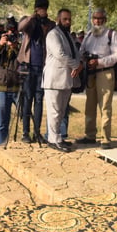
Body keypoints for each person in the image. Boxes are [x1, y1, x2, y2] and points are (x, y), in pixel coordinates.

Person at [76, 8, 117, 149]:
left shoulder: (112, 35)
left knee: (105, 106)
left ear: (105, 20)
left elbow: (116, 56)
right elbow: (81, 52)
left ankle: (105, 139)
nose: (97, 21)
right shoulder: (89, 35)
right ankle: (90, 135)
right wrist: (85, 59)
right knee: (89, 107)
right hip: (91, 73)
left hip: (105, 72)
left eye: (100, 19)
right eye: (95, 18)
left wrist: (99, 62)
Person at [42, 8, 82, 152]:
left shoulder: (68, 36)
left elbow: (75, 52)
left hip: (66, 80)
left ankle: (58, 137)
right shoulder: (53, 34)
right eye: (65, 19)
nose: (68, 22)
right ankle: (53, 139)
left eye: (69, 19)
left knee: (61, 111)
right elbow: (60, 54)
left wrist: (80, 63)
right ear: (58, 19)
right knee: (54, 112)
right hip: (54, 79)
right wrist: (76, 65)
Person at [17, 0, 55, 143]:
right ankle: (25, 132)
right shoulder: (30, 21)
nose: (42, 11)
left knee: (39, 100)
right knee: (27, 99)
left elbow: (53, 34)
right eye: (39, 8)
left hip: (43, 67)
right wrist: (34, 16)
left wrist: (44, 22)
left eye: (44, 8)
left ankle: (37, 132)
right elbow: (20, 27)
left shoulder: (50, 24)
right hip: (28, 65)